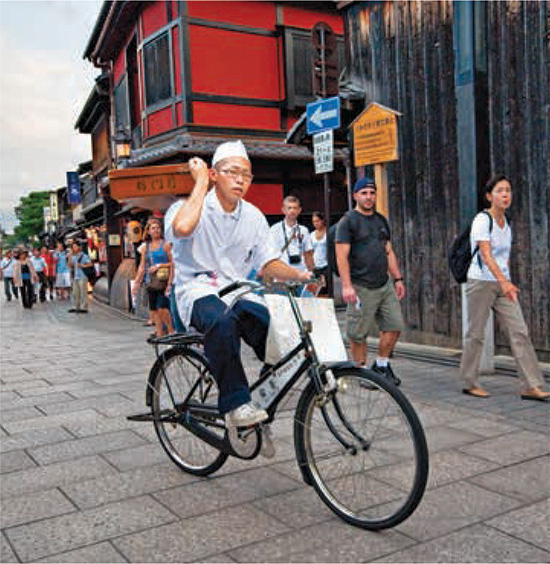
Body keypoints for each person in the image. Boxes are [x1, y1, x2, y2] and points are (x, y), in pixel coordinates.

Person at [165, 140, 312, 427]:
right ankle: (235, 404)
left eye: (246, 174)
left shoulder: (254, 216)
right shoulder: (188, 207)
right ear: (214, 174)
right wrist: (198, 184)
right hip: (197, 290)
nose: (240, 179)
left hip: (237, 289)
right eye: (232, 172)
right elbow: (182, 228)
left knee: (280, 331)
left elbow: (267, 262)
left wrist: (301, 275)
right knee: (222, 321)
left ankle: (264, 398)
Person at [461, 174, 549, 401]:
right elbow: (486, 255)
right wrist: (504, 281)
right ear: (489, 196)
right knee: (476, 334)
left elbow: (504, 257)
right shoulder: (482, 220)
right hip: (480, 282)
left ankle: (532, 385)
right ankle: (469, 382)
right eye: (500, 191)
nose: (505, 195)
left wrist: (506, 279)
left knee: (519, 331)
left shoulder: (506, 222)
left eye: (508, 190)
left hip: (502, 283)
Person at [335, 177, 405, 386]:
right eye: (364, 193)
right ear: (355, 195)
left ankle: (381, 365)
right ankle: (361, 372)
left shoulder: (381, 220)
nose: (368, 197)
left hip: (384, 284)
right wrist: (346, 286)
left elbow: (388, 251)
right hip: (360, 286)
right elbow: (341, 256)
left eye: (372, 193)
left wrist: (398, 278)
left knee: (394, 325)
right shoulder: (348, 222)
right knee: (358, 334)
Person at [132, 218, 174, 338]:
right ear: (149, 231)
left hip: (163, 281)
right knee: (154, 309)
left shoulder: (165, 245)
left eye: (158, 228)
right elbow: (142, 266)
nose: (156, 230)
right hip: (150, 281)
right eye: (153, 228)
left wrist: (160, 266)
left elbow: (173, 263)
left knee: (163, 308)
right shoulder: (146, 247)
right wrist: (136, 283)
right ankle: (159, 332)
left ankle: (170, 331)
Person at [268, 195, 314, 274]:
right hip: (282, 274)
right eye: (289, 208)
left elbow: (308, 253)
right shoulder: (274, 230)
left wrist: (312, 273)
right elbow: (271, 255)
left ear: (299, 210)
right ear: (283, 210)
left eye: (295, 208)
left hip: (301, 273)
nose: (292, 211)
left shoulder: (304, 230)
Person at [68, 241, 92, 313]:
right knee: (75, 292)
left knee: (83, 292)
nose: (74, 248)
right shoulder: (73, 256)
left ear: (79, 247)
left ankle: (84, 307)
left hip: (83, 276)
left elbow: (90, 264)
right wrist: (69, 257)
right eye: (73, 247)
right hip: (76, 276)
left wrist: (82, 265)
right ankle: (76, 306)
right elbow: (70, 265)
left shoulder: (83, 255)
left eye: (75, 246)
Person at [310, 211, 328, 296]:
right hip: (315, 265)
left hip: (326, 265)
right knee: (316, 291)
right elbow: (310, 251)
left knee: (325, 289)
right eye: (314, 221)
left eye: (317, 221)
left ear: (322, 220)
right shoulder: (312, 235)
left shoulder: (328, 233)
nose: (316, 223)